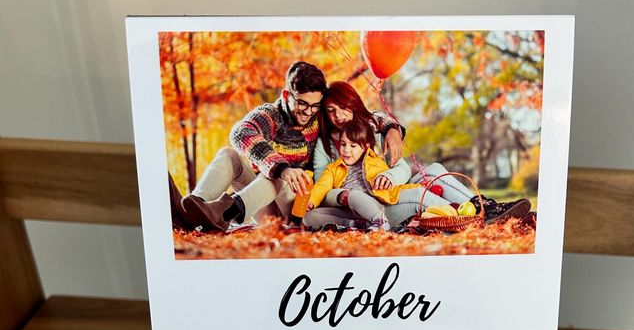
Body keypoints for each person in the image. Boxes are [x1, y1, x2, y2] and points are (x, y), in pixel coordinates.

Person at [313, 81, 531, 229]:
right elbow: (322, 186)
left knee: (434, 169)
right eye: (331, 110)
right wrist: (346, 195)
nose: (338, 115)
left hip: (392, 190)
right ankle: (474, 218)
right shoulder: (324, 145)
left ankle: (485, 208)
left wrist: (389, 173)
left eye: (343, 107)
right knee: (420, 195)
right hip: (371, 206)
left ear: (354, 105)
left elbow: (402, 168)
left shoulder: (372, 129)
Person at [175, 61, 327, 232]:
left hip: (297, 208)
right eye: (302, 103)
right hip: (262, 201)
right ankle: (195, 208)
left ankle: (224, 214)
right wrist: (283, 168)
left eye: (315, 105)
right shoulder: (272, 115)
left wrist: (281, 170)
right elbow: (240, 132)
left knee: (274, 173)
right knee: (229, 155)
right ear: (286, 95)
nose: (308, 112)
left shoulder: (322, 119)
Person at [306, 117, 418, 231]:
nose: (346, 150)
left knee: (353, 195)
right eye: (343, 144)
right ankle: (356, 224)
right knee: (309, 217)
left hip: (374, 206)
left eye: (353, 146)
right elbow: (322, 186)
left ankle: (379, 220)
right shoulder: (333, 168)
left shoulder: (375, 163)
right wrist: (311, 201)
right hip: (350, 211)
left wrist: (416, 186)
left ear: (365, 146)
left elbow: (394, 188)